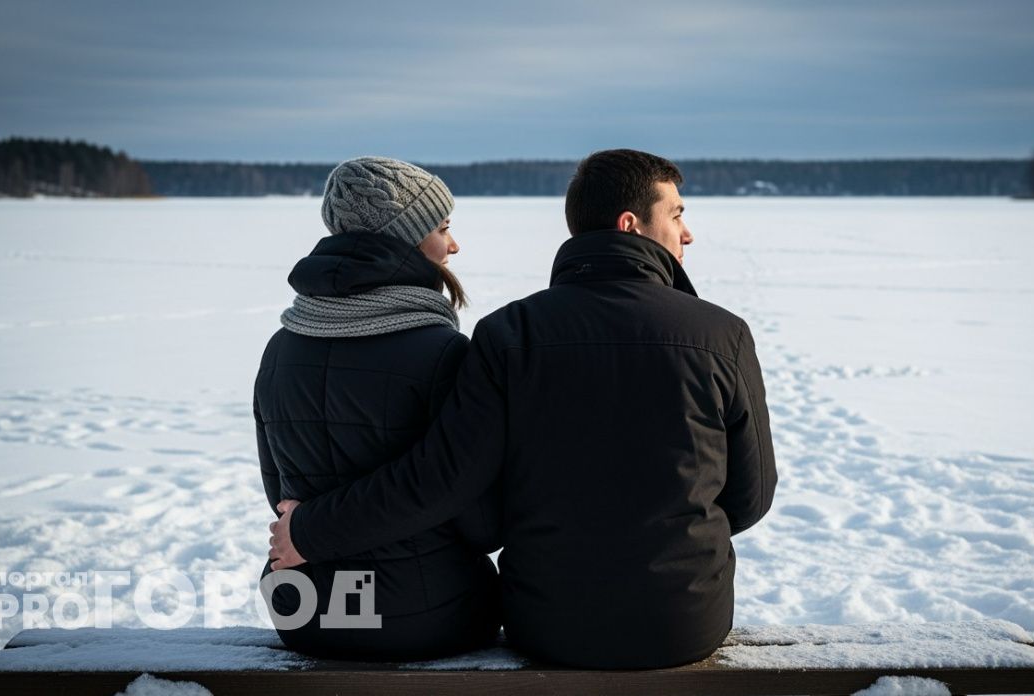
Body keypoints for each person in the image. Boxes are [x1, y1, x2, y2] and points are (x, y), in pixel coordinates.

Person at [270, 149, 776, 669]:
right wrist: (674, 535)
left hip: (518, 620)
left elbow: (286, 487)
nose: (686, 233)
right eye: (676, 214)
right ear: (631, 224)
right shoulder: (722, 335)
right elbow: (750, 497)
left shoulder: (506, 334)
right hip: (680, 622)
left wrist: (311, 530)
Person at [255, 156, 501, 660]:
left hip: (301, 609)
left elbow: (279, 494)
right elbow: (479, 519)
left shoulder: (281, 345)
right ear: (406, 238)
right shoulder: (443, 352)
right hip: (428, 616)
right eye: (443, 228)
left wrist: (313, 530)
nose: (453, 245)